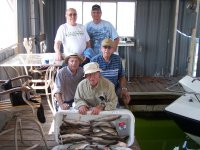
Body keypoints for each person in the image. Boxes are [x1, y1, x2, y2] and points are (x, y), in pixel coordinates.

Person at [91, 38, 130, 106]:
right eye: (105, 47)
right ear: (101, 48)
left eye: (109, 47)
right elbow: (90, 78)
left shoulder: (117, 59)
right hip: (99, 89)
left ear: (113, 49)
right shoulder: (94, 60)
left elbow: (121, 76)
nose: (107, 49)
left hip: (114, 88)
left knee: (124, 97)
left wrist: (124, 89)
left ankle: (120, 106)